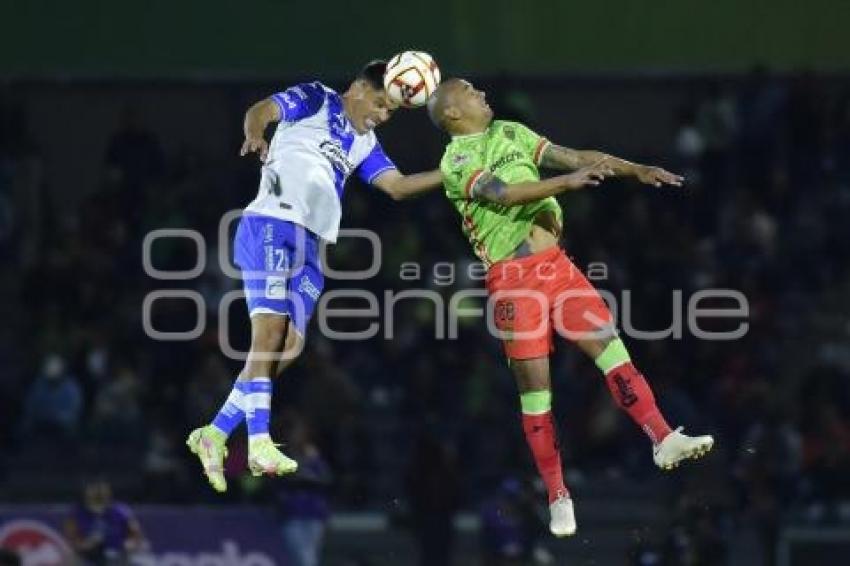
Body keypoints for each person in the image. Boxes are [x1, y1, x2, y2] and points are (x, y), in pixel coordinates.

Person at [427, 79, 714, 537]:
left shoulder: (512, 132)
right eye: (468, 90)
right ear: (452, 113)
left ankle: (663, 438)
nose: (480, 91)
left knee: (612, 348)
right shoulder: (456, 160)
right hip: (514, 283)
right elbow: (502, 193)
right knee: (537, 393)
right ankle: (558, 493)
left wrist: (634, 168)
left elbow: (576, 156)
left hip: (558, 267)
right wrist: (564, 184)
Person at [187, 60, 442, 492]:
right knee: (267, 334)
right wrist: (254, 133)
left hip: (312, 248)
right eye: (381, 104)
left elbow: (396, 186)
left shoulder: (365, 141)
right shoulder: (317, 99)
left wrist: (452, 175)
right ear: (359, 89)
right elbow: (261, 110)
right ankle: (259, 441)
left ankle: (214, 433)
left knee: (288, 346)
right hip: (271, 222)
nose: (383, 116)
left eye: (390, 112)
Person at [64, 478, 147, 565]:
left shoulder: (122, 511)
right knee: (72, 560)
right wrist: (85, 544)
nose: (99, 493)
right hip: (88, 555)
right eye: (94, 490)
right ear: (86, 492)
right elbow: (70, 539)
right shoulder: (76, 513)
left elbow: (137, 536)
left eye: (102, 490)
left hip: (117, 554)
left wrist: (128, 545)